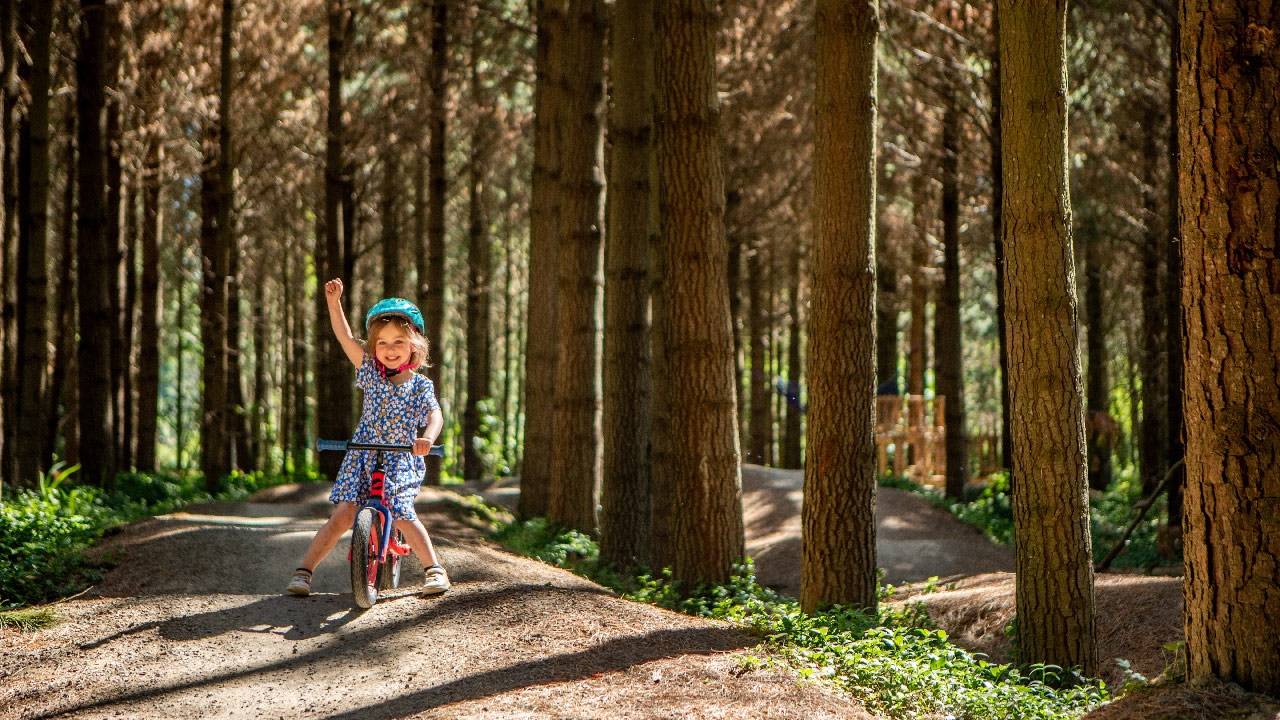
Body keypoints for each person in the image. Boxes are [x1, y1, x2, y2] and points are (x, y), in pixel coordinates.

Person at [286, 278, 451, 597]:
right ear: (374, 347)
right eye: (382, 343)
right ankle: (304, 572)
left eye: (399, 342)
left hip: (402, 456)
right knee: (343, 515)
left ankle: (434, 570)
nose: (390, 350)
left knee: (402, 512)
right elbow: (345, 337)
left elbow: (435, 415)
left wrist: (427, 438)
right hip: (363, 455)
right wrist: (334, 303)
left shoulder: (420, 386)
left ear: (414, 345)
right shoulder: (370, 372)